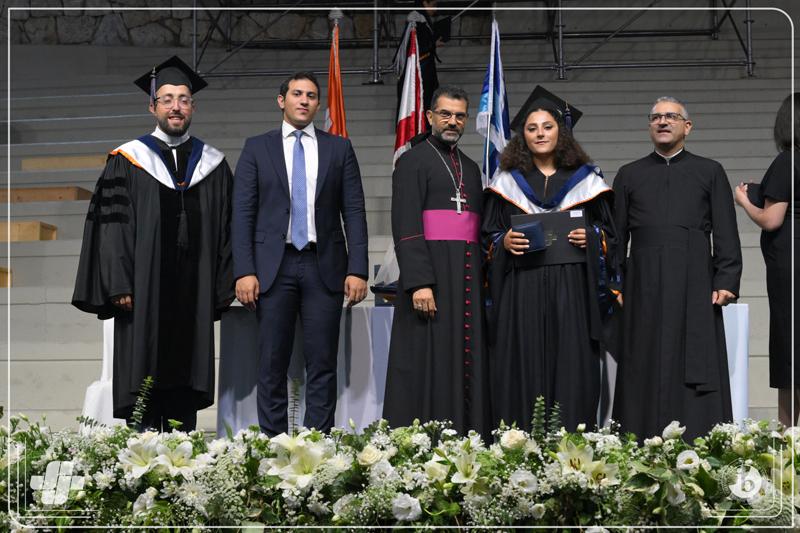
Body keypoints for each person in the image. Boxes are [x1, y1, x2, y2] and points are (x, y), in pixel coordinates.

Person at [72, 56, 234, 432]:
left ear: (193, 107)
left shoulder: (213, 165)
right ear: (153, 107)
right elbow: (112, 228)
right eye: (167, 99)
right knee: (142, 380)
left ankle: (182, 447)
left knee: (184, 388)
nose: (176, 106)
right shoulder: (128, 160)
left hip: (193, 292)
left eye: (183, 99)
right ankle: (142, 447)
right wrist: (119, 283)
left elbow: (228, 228)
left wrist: (221, 286)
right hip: (141, 291)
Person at [232, 72, 369, 437]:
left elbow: (354, 211)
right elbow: (242, 213)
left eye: (311, 95)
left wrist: (358, 268)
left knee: (322, 363)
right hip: (272, 268)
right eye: (297, 94)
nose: (304, 100)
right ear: (282, 101)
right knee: (271, 363)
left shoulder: (339, 148)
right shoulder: (256, 148)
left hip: (324, 266)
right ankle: (274, 445)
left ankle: (316, 445)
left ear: (318, 104)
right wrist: (243, 270)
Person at [482, 86, 621, 432]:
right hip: (522, 286)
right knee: (522, 357)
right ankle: (519, 440)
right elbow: (487, 236)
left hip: (571, 287)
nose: (540, 134)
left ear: (561, 132)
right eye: (532, 128)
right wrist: (503, 242)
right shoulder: (506, 183)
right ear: (523, 137)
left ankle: (571, 437)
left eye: (547, 127)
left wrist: (591, 237)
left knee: (572, 358)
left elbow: (612, 236)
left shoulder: (587, 181)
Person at [612, 96, 742, 441]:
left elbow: (725, 230)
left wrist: (726, 278)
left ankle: (698, 439)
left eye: (671, 116)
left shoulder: (710, 171)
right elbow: (615, 235)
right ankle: (639, 438)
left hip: (694, 279)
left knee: (694, 357)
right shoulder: (628, 174)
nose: (662, 121)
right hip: (643, 282)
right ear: (649, 126)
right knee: (642, 357)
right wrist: (615, 283)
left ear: (687, 126)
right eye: (655, 117)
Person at [383, 85, 491, 437]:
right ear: (430, 116)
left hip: (466, 276)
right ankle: (422, 438)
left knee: (464, 355)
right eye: (445, 114)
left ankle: (466, 432)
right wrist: (419, 282)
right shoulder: (412, 161)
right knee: (427, 356)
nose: (452, 121)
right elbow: (406, 225)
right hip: (431, 275)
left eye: (459, 116)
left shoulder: (471, 168)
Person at [734, 93, 799, 427]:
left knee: (790, 347)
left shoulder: (788, 161)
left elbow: (772, 220)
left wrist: (744, 200)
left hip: (790, 265)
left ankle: (789, 435)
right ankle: (789, 435)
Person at [394, 0, 449, 114]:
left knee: (426, 104)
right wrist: (433, 43)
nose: (435, 9)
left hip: (423, 71)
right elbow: (416, 47)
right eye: (433, 5)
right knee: (421, 105)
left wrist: (432, 42)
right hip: (419, 73)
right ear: (424, 3)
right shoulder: (416, 21)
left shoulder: (421, 20)